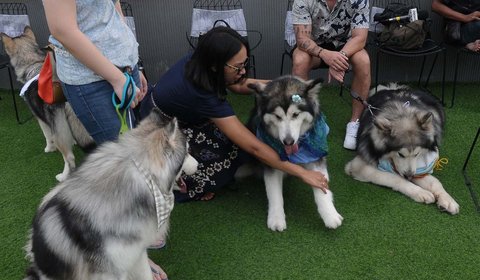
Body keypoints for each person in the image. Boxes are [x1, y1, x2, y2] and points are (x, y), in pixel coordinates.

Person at [42, 0, 167, 280]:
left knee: (132, 159)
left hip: (121, 70)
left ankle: (134, 236)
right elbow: (62, 29)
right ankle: (134, 255)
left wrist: (133, 66)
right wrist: (116, 77)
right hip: (93, 79)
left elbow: (111, 8)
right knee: (122, 171)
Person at [140, 26, 330, 205]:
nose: (243, 71)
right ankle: (183, 186)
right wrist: (301, 173)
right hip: (162, 130)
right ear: (216, 65)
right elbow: (254, 147)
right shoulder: (203, 95)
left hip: (182, 114)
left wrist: (283, 87)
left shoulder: (203, 61)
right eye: (238, 67)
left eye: (245, 64)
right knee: (224, 162)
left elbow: (239, 84)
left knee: (236, 150)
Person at [291, 0, 371, 150]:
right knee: (299, 60)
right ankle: (301, 119)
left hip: (346, 46)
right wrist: (325, 54)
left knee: (363, 61)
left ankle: (355, 123)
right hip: (314, 48)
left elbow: (360, 38)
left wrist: (339, 58)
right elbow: (302, 40)